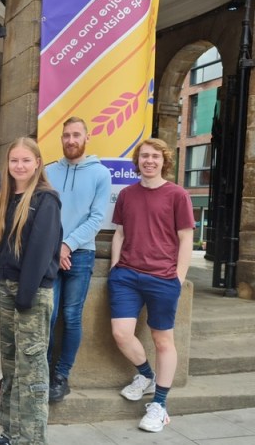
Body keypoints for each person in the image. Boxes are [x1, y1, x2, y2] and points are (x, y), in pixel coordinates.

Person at [109, 138, 194, 433]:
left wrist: (178, 278)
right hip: (127, 276)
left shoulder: (177, 195)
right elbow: (119, 233)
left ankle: (159, 404)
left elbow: (186, 238)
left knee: (162, 341)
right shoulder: (127, 194)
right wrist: (114, 269)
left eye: (155, 157)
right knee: (121, 333)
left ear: (164, 161)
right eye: (144, 156)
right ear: (137, 161)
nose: (149, 161)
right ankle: (145, 375)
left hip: (163, 277)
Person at [0, 137, 62, 445]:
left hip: (30, 293)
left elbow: (40, 251)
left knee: (31, 369)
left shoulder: (46, 199)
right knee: (11, 365)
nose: (19, 166)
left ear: (37, 164)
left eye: (25, 160)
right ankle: (11, 431)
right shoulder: (6, 199)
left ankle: (31, 439)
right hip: (5, 289)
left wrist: (25, 296)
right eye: (14, 160)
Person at [45, 117, 111, 403]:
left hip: (81, 255)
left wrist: (67, 245)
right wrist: (55, 247)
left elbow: (97, 218)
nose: (71, 140)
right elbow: (43, 215)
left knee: (71, 316)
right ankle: (42, 373)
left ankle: (61, 376)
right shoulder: (47, 171)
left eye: (76, 135)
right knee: (47, 315)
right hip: (48, 254)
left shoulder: (101, 174)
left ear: (87, 137)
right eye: (66, 135)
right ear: (61, 138)